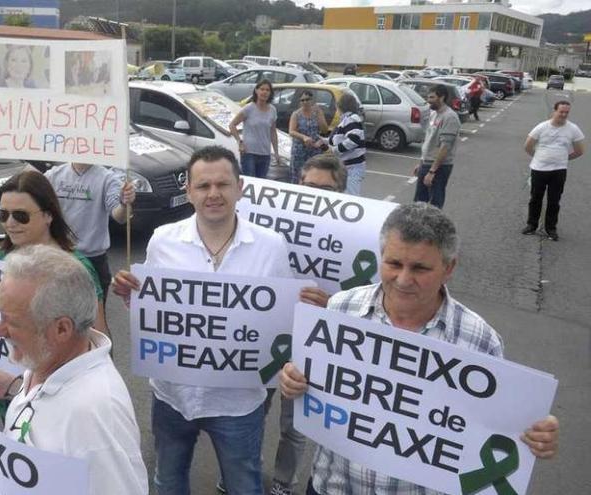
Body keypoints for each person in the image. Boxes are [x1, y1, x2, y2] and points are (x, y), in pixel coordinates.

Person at [278, 202, 561, 495]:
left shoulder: (480, 340)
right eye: (394, 264)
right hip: (333, 486)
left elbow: (498, 425)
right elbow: (312, 383)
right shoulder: (340, 307)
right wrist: (293, 381)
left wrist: (533, 430)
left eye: (420, 268)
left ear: (449, 268)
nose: (403, 280)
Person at [111, 146, 296, 495]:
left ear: (240, 188)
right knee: (168, 479)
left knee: (244, 485)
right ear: (190, 191)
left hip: (238, 402)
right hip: (172, 396)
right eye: (203, 186)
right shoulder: (163, 240)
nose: (213, 194)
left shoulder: (271, 246)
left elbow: (281, 322)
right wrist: (130, 298)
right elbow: (152, 313)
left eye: (223, 184)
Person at [0, 245, 148, 494]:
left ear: (62, 329)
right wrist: (14, 388)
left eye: (12, 321)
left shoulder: (95, 416)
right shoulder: (49, 356)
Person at [267, 153, 347, 495]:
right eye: (308, 185)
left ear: (340, 193)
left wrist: (331, 304)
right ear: (298, 184)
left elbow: (369, 306)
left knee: (295, 423)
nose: (314, 194)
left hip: (312, 342)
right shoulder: (269, 222)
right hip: (264, 332)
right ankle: (234, 471)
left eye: (324, 189)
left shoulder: (358, 236)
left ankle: (284, 481)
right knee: (250, 412)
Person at [0, 163, 136, 308]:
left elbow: (119, 217)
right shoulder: (55, 174)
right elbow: (29, 199)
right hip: (57, 255)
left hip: (92, 258)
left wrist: (124, 203)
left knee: (88, 313)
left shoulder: (107, 178)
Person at [521, 100, 585, 241]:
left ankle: (551, 229)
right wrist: (538, 157)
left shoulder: (573, 129)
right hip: (539, 169)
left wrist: (563, 158)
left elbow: (580, 150)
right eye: (561, 111)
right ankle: (531, 225)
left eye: (566, 112)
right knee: (536, 198)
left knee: (554, 201)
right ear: (554, 111)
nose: (563, 114)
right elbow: (528, 146)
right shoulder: (542, 127)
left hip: (559, 171)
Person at [413, 84, 460, 209]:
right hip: (426, 164)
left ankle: (434, 228)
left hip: (439, 168)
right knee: (419, 202)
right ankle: (418, 227)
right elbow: (429, 140)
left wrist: (432, 171)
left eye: (432, 97)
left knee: (435, 204)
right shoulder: (434, 114)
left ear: (442, 97)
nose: (429, 101)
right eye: (428, 97)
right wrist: (421, 163)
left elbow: (445, 147)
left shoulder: (450, 117)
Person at [229, 79, 280, 178]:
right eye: (262, 89)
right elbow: (232, 125)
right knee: (251, 181)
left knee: (261, 182)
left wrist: (276, 152)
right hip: (249, 153)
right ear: (256, 91)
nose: (264, 92)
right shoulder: (249, 108)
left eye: (267, 90)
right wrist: (240, 142)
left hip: (265, 153)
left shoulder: (273, 110)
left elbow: (273, 132)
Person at [327, 92, 366, 195]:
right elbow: (339, 139)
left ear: (341, 106)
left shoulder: (351, 120)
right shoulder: (346, 120)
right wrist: (324, 141)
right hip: (346, 167)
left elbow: (354, 140)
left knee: (350, 196)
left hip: (352, 168)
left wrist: (335, 150)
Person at [288, 90, 329, 183]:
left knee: (314, 175)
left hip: (315, 149)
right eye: (302, 100)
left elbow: (324, 130)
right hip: (299, 150)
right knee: (298, 176)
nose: (305, 102)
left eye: (307, 99)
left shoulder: (317, 112)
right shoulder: (296, 114)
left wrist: (319, 115)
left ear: (312, 100)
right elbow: (291, 131)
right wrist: (303, 137)